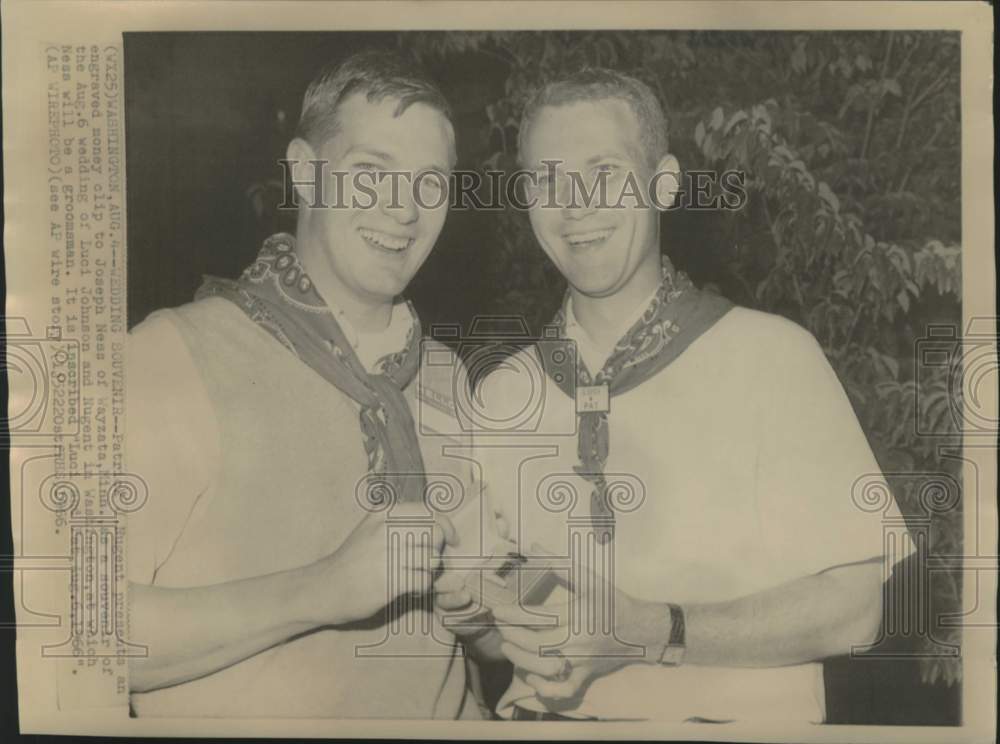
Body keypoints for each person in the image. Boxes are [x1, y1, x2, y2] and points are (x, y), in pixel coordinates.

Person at [461, 68, 915, 722]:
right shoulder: (503, 393)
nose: (576, 204)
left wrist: (651, 630)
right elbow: (494, 637)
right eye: (548, 179)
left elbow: (855, 610)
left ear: (664, 184)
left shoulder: (772, 357)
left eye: (605, 172)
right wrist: (470, 611)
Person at [125, 50, 490, 719]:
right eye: (372, 173)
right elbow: (80, 635)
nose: (404, 211)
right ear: (303, 170)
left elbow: (469, 642)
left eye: (429, 183)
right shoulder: (172, 356)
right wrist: (319, 590)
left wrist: (487, 608)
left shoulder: (444, 376)